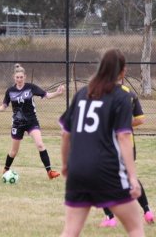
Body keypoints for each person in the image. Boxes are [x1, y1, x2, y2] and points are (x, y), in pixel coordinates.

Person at [59, 49, 145, 237]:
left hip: (78, 170)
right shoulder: (121, 97)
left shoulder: (82, 94)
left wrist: (66, 165)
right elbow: (123, 137)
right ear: (122, 71)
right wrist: (132, 178)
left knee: (70, 231)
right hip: (106, 170)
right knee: (136, 228)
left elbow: (65, 134)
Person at [0, 63, 64, 179]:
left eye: (21, 77)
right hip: (17, 124)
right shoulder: (10, 91)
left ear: (25, 77)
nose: (19, 79)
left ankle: (50, 172)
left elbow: (47, 95)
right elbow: (4, 106)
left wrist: (57, 93)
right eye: (17, 77)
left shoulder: (31, 87)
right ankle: (5, 169)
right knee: (14, 152)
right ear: (14, 77)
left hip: (31, 122)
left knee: (40, 144)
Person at [100, 85, 154, 227]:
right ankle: (147, 211)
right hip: (129, 143)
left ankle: (110, 217)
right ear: (122, 72)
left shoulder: (101, 91)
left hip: (109, 142)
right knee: (130, 177)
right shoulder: (129, 92)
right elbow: (141, 119)